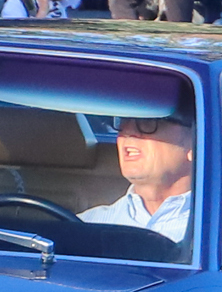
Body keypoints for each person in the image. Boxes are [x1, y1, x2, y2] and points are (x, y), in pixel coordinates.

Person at [79, 102, 193, 242]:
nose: (126, 131)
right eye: (123, 120)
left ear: (194, 143)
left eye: (149, 120)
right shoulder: (84, 227)